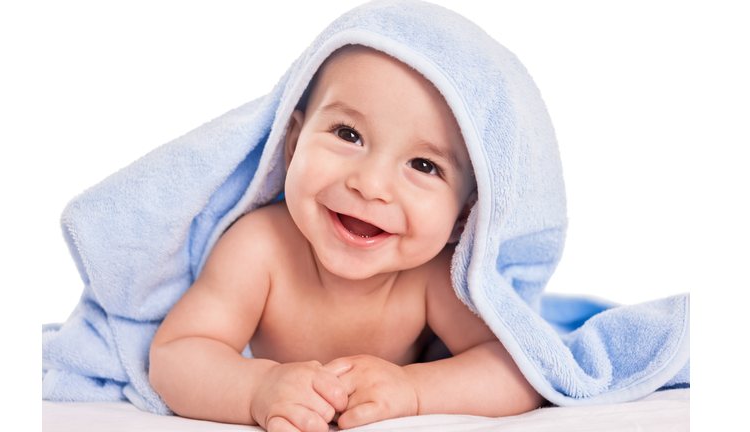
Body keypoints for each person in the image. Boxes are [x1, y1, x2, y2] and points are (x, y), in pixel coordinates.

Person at [149, 45, 544, 432]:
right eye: (348, 134)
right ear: (293, 146)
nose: (371, 185)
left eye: (424, 165)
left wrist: (415, 390)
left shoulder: (434, 278)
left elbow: (519, 372)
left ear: (463, 216)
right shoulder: (259, 247)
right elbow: (176, 355)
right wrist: (257, 388)